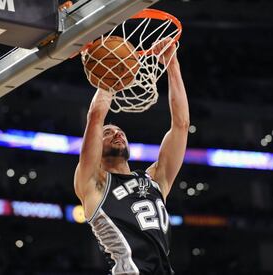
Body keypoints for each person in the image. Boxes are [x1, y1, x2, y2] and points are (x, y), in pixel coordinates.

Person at [74, 38, 190, 275]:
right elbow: (96, 116)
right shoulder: (94, 184)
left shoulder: (155, 180)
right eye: (108, 133)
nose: (117, 133)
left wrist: (172, 63)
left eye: (120, 132)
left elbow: (181, 125)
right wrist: (112, 71)